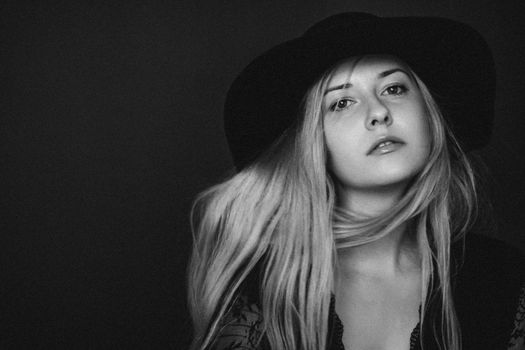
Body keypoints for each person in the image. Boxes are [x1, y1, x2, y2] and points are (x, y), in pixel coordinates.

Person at [187, 12, 525, 350]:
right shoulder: (264, 289)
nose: (379, 112)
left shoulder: (503, 279)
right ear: (312, 142)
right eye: (341, 102)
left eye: (394, 88)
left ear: (429, 114)